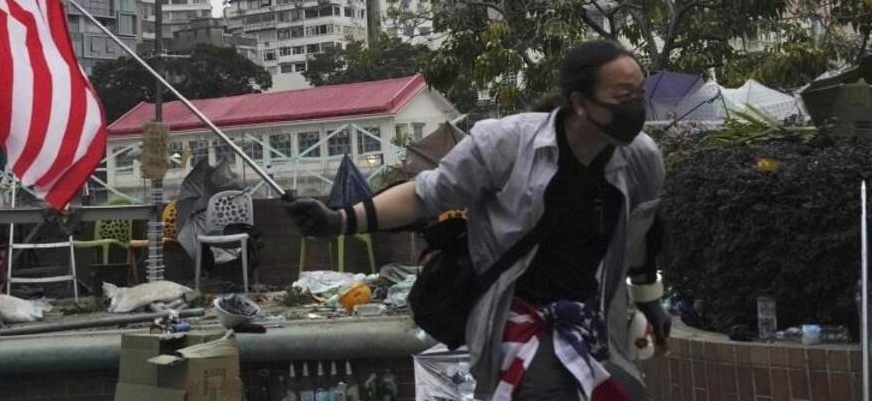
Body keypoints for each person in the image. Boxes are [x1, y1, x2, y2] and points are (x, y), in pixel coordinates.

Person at [287, 40, 669, 400]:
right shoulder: (507, 145)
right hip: (516, 316)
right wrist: (339, 221)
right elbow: (424, 196)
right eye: (623, 96)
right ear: (580, 103)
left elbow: (641, 237)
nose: (635, 106)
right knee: (546, 387)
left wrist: (650, 302)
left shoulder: (640, 160)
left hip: (592, 318)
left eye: (640, 93)